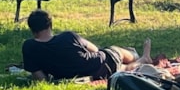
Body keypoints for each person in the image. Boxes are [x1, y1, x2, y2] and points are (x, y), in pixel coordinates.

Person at [21, 9, 153, 81]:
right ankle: (139, 56)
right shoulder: (68, 36)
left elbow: (40, 78)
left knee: (123, 69)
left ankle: (141, 59)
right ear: (50, 25)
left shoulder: (29, 47)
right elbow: (95, 49)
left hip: (85, 74)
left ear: (32, 29)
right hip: (97, 62)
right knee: (114, 51)